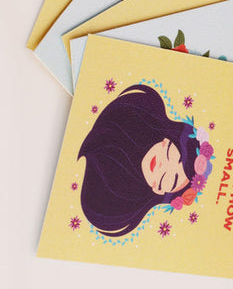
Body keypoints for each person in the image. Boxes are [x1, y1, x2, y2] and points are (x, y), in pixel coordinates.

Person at [78, 84, 213, 237]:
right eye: (169, 153)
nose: (162, 164)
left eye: (168, 177)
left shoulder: (114, 198)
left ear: (158, 190)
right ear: (165, 140)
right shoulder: (129, 121)